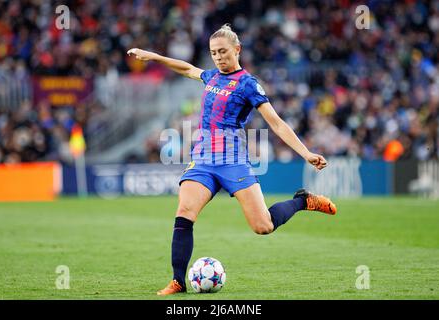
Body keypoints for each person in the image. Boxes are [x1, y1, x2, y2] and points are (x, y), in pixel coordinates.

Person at [127, 24, 337, 296]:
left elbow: (276, 123)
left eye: (223, 51)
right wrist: (154, 56)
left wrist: (306, 153)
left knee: (263, 226)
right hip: (202, 159)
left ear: (237, 50)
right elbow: (187, 68)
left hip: (232, 160)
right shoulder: (212, 77)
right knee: (184, 212)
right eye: (214, 53)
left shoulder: (249, 85)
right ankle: (178, 281)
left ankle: (302, 200)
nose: (218, 57)